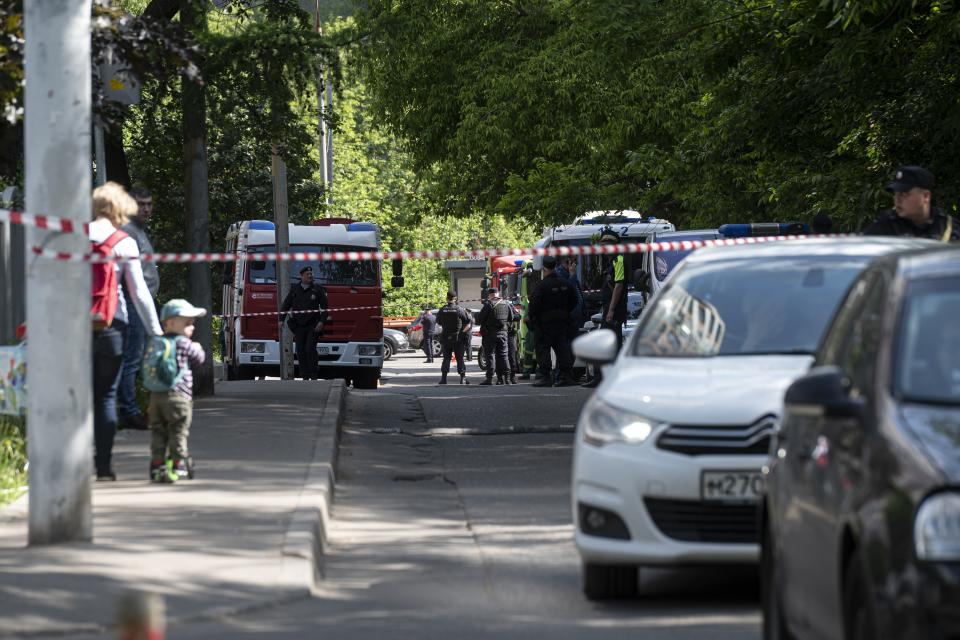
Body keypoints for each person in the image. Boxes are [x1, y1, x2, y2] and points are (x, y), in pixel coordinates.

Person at [89, 182, 163, 481]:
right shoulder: (123, 241)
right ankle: (103, 467)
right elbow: (139, 293)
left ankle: (70, 459)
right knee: (105, 396)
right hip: (111, 325)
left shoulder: (74, 234)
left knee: (75, 395)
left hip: (72, 328)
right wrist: (157, 332)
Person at [148, 299, 206, 483]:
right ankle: (178, 465)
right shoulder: (184, 343)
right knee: (178, 431)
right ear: (171, 323)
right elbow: (199, 360)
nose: (192, 328)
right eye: (187, 323)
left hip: (156, 396)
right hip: (179, 397)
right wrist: (198, 348)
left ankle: (157, 465)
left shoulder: (158, 342)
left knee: (158, 431)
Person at [117, 187, 159, 431]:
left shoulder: (139, 231)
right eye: (141, 204)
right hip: (133, 302)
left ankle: (134, 407)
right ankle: (129, 412)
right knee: (132, 358)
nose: (146, 208)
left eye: (149, 204)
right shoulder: (127, 232)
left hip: (143, 301)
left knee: (139, 357)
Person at [862, 165, 959, 241]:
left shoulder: (948, 227)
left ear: (926, 196)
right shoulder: (886, 225)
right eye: (896, 194)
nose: (897, 199)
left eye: (904, 194)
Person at [582, 228, 627, 388]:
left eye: (605, 245)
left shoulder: (619, 260)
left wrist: (611, 311)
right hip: (610, 310)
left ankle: (603, 378)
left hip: (614, 312)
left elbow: (619, 286)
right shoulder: (612, 262)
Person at [528, 255, 578, 387]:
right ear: (555, 266)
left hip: (544, 325)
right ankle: (566, 376)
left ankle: (545, 377)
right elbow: (575, 301)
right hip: (562, 323)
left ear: (544, 268)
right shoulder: (566, 284)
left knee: (543, 350)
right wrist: (564, 312)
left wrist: (532, 317)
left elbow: (534, 305)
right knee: (562, 349)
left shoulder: (541, 286)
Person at [279, 265, 329, 380]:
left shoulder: (317, 289)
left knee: (310, 348)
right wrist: (281, 320)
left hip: (313, 325)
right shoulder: (295, 289)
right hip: (299, 326)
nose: (310, 276)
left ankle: (313, 373)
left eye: (311, 274)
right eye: (308, 274)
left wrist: (322, 322)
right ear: (301, 276)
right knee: (300, 349)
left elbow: (325, 308)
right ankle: (304, 374)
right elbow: (286, 305)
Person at [435, 290, 473, 385]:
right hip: (457, 338)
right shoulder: (460, 309)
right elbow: (468, 324)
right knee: (459, 358)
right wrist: (462, 333)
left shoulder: (442, 310)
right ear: (455, 299)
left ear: (447, 298)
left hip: (446, 338)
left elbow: (438, 322)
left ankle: (443, 379)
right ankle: (463, 379)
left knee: (446, 358)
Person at [476, 287, 511, 385]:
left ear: (490, 295)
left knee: (490, 355)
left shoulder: (488, 305)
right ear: (498, 293)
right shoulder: (506, 303)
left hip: (490, 334)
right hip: (503, 333)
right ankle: (507, 378)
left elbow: (479, 319)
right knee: (504, 355)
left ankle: (490, 378)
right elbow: (512, 317)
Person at [505, 300, 522, 384]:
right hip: (498, 333)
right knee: (499, 356)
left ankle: (512, 376)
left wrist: (508, 316)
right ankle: (501, 377)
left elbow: (518, 316)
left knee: (511, 356)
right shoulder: (490, 305)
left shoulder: (509, 306)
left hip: (509, 334)